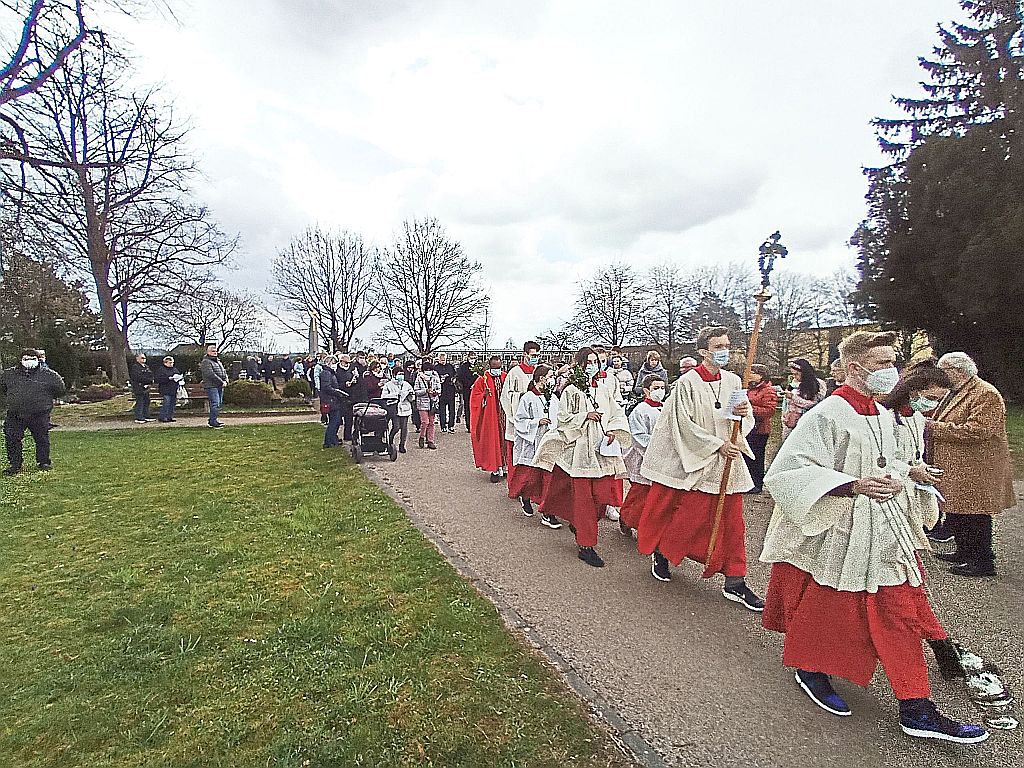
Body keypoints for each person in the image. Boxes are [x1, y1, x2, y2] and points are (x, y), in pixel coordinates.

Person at [760, 331, 987, 745]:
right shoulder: (827, 414)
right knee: (831, 607)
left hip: (885, 530)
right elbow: (788, 471)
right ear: (854, 367)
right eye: (882, 363)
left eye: (892, 361)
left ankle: (916, 707)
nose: (892, 371)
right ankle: (811, 669)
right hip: (842, 530)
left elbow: (889, 459)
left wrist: (909, 471)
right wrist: (851, 485)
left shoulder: (883, 412)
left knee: (899, 611)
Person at [634, 326, 762, 609]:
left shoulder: (732, 381)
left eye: (727, 344)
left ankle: (735, 581)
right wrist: (717, 445)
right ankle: (663, 553)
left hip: (728, 463)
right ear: (703, 351)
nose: (724, 350)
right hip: (700, 461)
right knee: (688, 520)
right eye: (718, 346)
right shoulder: (686, 384)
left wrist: (741, 418)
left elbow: (741, 419)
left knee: (734, 525)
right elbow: (684, 426)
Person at [535, 347, 631, 568]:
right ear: (579, 364)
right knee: (584, 500)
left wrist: (612, 430)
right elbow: (563, 418)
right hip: (579, 453)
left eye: (595, 361)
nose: (592, 365)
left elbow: (616, 412)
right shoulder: (571, 391)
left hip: (600, 451)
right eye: (588, 361)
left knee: (600, 497)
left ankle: (580, 525)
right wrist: (584, 416)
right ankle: (586, 545)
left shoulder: (605, 388)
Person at [928, 352, 1015, 577]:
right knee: (957, 511)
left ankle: (982, 561)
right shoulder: (958, 391)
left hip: (977, 467)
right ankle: (964, 552)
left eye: (943, 370)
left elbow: (978, 431)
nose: (940, 375)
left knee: (975, 515)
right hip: (959, 465)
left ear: (957, 371)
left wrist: (931, 427)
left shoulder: (985, 394)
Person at [511, 366, 562, 527]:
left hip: (550, 442)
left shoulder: (553, 398)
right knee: (532, 478)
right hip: (534, 440)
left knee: (550, 478)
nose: (552, 379)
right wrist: (536, 422)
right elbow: (520, 420)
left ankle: (548, 512)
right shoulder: (528, 397)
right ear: (541, 378)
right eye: (550, 376)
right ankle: (525, 496)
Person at [1, 349, 66, 475]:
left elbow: (60, 389)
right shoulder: (9, 374)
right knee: (12, 438)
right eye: (26, 358)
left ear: (38, 360)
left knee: (41, 438)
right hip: (16, 413)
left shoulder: (49, 375)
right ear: (20, 360)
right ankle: (15, 464)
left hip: (39, 412)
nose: (29, 361)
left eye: (32, 358)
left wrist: (45, 401)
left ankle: (44, 462)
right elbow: (3, 388)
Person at [618, 374, 666, 536]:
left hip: (661, 458)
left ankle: (647, 525)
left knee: (654, 496)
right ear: (646, 390)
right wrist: (657, 445)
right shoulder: (640, 411)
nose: (660, 391)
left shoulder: (665, 408)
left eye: (662, 388)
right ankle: (626, 518)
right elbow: (638, 437)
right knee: (640, 494)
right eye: (655, 388)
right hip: (642, 457)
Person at [501, 342, 541, 489]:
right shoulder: (514, 373)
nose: (535, 359)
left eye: (537, 356)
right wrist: (523, 397)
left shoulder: (539, 372)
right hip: (518, 421)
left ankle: (530, 489)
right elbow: (506, 396)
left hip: (536, 422)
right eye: (532, 356)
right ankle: (514, 487)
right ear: (525, 354)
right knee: (516, 456)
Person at [470, 356, 508, 481]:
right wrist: (483, 395)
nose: (497, 370)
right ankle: (495, 469)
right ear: (490, 366)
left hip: (505, 415)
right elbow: (474, 397)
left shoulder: (505, 377)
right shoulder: (482, 379)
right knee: (493, 442)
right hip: (491, 416)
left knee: (505, 441)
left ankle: (506, 467)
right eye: (495, 367)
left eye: (499, 367)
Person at [744, 364, 779, 493]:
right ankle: (747, 482)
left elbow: (769, 410)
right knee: (746, 456)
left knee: (757, 457)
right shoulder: (748, 389)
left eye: (752, 372)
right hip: (747, 428)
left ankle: (757, 483)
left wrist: (749, 409)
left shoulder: (768, 390)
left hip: (759, 429)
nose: (748, 375)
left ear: (760, 375)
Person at [782, 358, 825, 438]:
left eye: (797, 374)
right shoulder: (793, 383)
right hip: (790, 421)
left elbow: (814, 404)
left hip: (806, 422)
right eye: (793, 374)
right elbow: (787, 404)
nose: (795, 377)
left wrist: (793, 397)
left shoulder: (816, 384)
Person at [382, 367, 414, 453]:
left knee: (404, 428)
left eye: (402, 374)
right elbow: (384, 396)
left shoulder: (406, 384)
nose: (401, 376)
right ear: (394, 375)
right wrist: (396, 394)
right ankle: (390, 441)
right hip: (394, 408)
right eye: (399, 374)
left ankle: (402, 444)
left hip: (405, 408)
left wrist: (410, 395)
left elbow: (412, 395)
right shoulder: (388, 385)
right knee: (396, 427)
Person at [199, 344, 229, 429]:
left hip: (219, 385)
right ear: (208, 352)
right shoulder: (206, 362)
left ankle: (213, 420)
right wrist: (221, 381)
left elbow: (224, 372)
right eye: (213, 351)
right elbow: (210, 374)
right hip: (211, 385)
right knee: (215, 403)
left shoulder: (218, 361)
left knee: (218, 403)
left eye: (216, 351)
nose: (215, 353)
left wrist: (226, 380)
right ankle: (213, 421)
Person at [318, 356, 345, 448]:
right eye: (333, 363)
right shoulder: (326, 373)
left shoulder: (330, 373)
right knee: (334, 422)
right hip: (330, 401)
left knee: (336, 422)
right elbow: (326, 387)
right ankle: (328, 442)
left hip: (333, 400)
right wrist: (337, 392)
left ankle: (333, 440)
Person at [415, 359, 441, 449]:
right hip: (422, 403)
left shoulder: (435, 378)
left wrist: (435, 392)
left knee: (432, 422)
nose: (428, 371)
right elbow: (416, 391)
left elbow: (439, 389)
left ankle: (430, 440)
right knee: (425, 422)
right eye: (427, 370)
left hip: (432, 402)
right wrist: (425, 391)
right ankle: (422, 436)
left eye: (430, 369)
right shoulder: (419, 378)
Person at [335, 353, 359, 441]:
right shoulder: (337, 370)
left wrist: (353, 382)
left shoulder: (350, 369)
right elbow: (335, 383)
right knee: (338, 418)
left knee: (349, 418)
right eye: (346, 362)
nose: (347, 364)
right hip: (340, 396)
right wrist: (344, 384)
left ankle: (347, 435)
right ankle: (335, 435)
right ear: (341, 361)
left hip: (350, 396)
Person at [154, 356, 183, 423]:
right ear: (165, 362)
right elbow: (158, 379)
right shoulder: (161, 370)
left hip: (173, 389)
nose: (172, 364)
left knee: (172, 404)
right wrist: (168, 378)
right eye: (170, 362)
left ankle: (170, 416)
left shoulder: (174, 369)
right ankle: (163, 417)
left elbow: (178, 376)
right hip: (165, 389)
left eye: (172, 362)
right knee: (166, 403)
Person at [128, 352, 155, 423]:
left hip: (146, 387)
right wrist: (148, 380)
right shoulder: (135, 367)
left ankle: (146, 415)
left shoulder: (146, 367)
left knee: (146, 401)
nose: (144, 359)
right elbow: (138, 377)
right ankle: (139, 417)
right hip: (139, 387)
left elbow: (150, 374)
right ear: (137, 359)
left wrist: (150, 380)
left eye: (145, 358)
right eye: (142, 358)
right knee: (140, 402)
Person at [435, 351, 458, 432]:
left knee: (452, 409)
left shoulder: (450, 366)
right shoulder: (436, 368)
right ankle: (443, 425)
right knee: (442, 410)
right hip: (441, 391)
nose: (443, 361)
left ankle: (451, 425)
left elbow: (455, 375)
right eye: (441, 360)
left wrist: (453, 379)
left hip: (450, 390)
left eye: (444, 360)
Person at [456, 353, 478, 432]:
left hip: (476, 389)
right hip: (466, 389)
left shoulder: (478, 366)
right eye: (471, 358)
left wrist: (476, 384)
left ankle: (476, 425)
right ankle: (469, 425)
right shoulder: (464, 366)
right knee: (467, 407)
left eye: (474, 358)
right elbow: (460, 377)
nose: (473, 359)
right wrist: (468, 384)